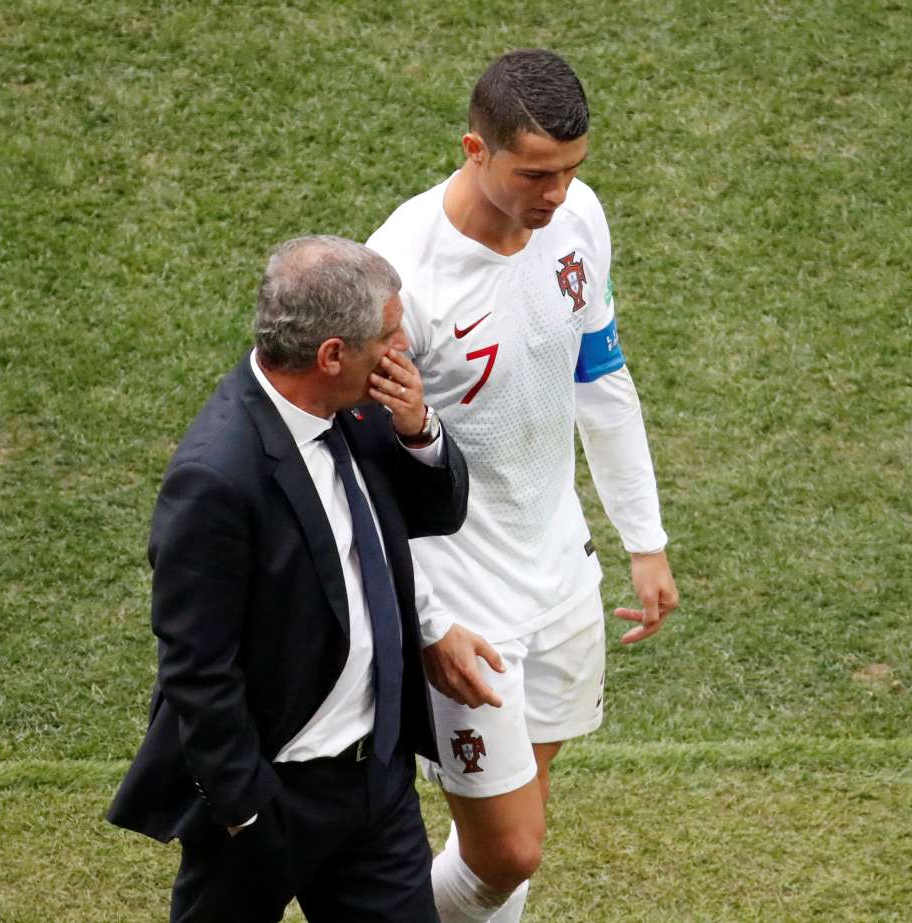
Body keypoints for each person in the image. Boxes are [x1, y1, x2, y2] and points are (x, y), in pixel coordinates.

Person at [366, 49, 680, 922]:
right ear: (476, 149)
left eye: (572, 170)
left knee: (513, 835)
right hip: (465, 592)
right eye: (536, 174)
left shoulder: (578, 218)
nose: (557, 194)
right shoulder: (400, 275)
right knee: (508, 849)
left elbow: (600, 376)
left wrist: (645, 540)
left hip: (561, 571)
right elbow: (367, 477)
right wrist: (428, 620)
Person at [107, 235, 501, 922]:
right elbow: (197, 670)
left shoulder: (360, 406)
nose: (404, 345)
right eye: (390, 332)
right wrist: (246, 810)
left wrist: (418, 430)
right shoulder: (216, 477)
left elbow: (433, 514)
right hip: (270, 802)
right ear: (331, 356)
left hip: (376, 789)